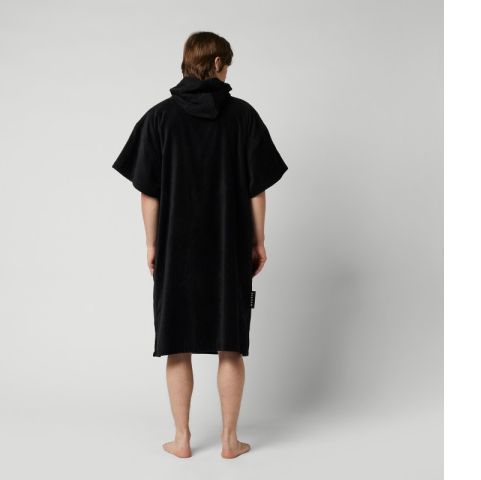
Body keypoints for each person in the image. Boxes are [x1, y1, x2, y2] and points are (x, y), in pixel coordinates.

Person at [112, 31, 288, 459]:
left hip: (177, 249)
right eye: (227, 65)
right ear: (217, 64)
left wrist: (152, 244)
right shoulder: (243, 116)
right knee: (230, 344)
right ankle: (230, 441)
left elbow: (149, 193)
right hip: (229, 248)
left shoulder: (159, 118)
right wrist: (258, 240)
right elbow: (257, 189)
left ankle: (182, 439)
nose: (228, 72)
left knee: (178, 344)